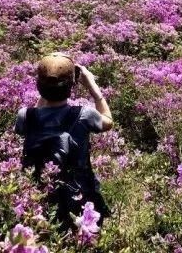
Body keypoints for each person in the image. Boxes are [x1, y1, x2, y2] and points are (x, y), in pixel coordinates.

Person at [15, 53, 114, 228]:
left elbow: (35, 115)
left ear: (39, 86)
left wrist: (46, 88)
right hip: (79, 195)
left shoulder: (25, 116)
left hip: (39, 196)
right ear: (72, 86)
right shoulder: (85, 115)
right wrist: (93, 87)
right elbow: (108, 121)